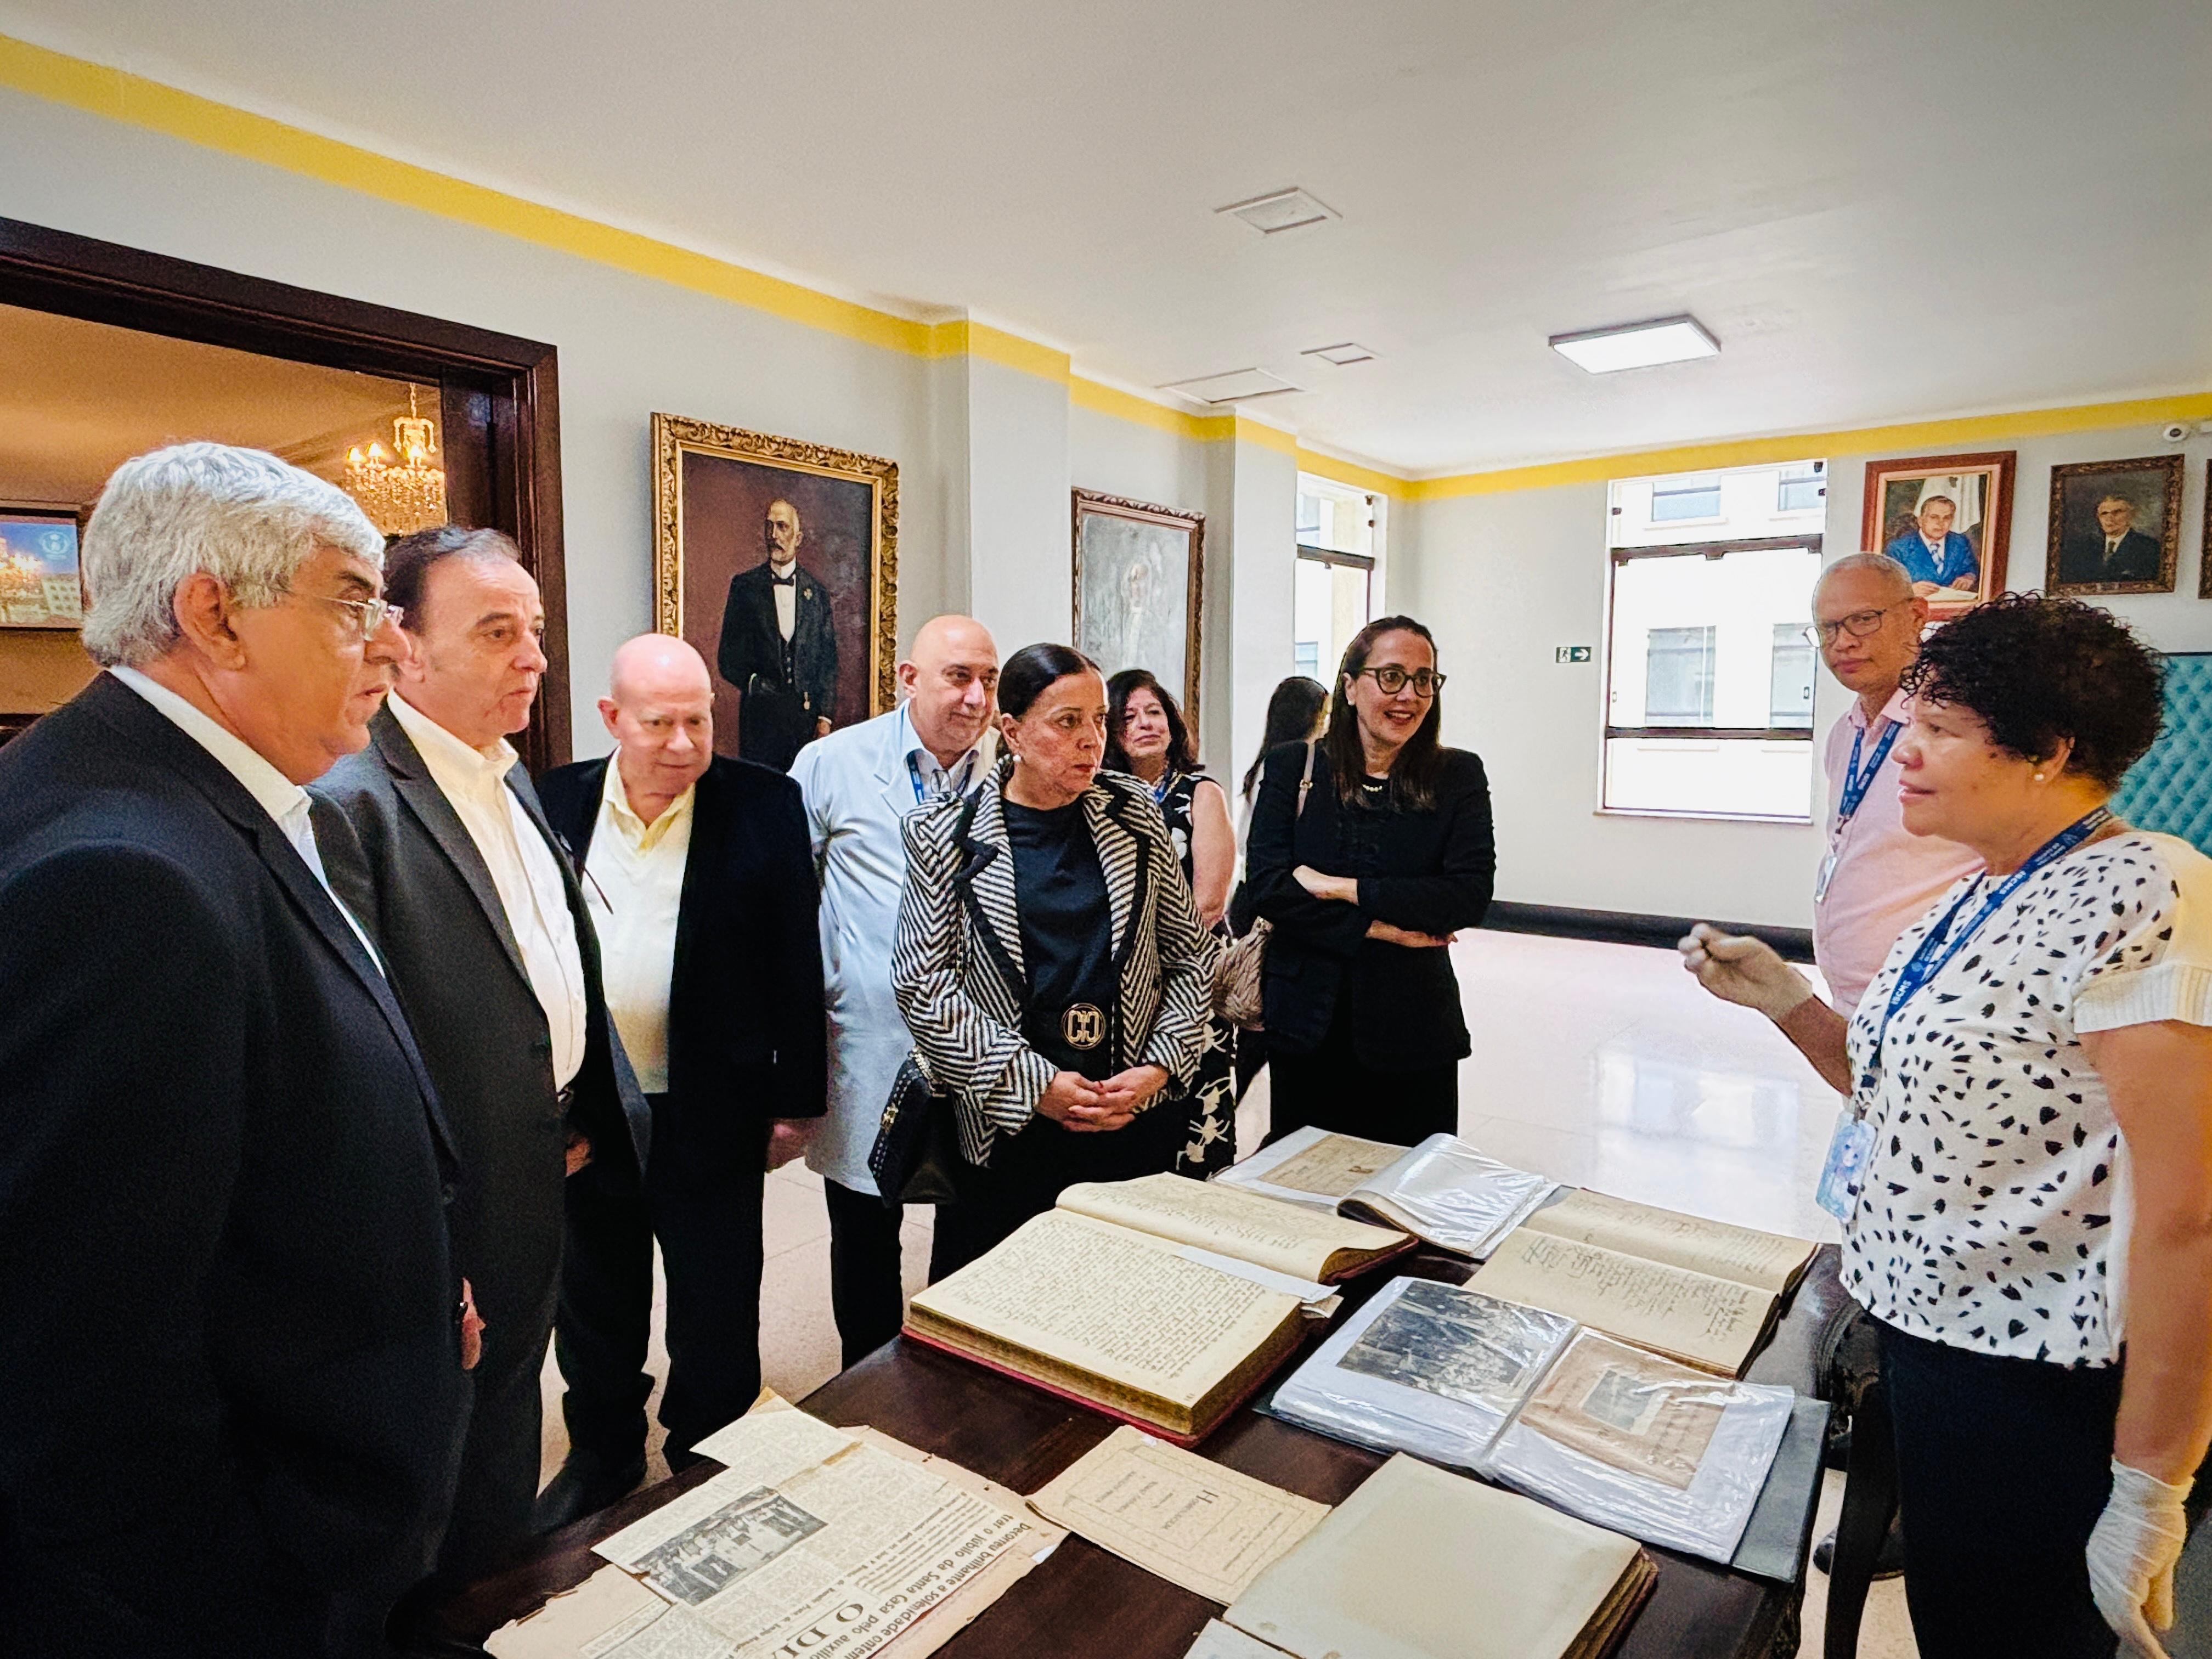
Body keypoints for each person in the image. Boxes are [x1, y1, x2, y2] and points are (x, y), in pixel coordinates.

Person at [0, 444, 472, 1656]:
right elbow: (88, 1374)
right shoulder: (123, 876)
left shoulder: (217, 797)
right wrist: (264, 1603)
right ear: (213, 615)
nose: (392, 645)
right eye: (353, 602)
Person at [1680, 592, 2212, 1659]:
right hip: (1933, 1339)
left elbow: (2188, 1214)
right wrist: (1786, 1000)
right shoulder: (1976, 891)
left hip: (2041, 1379)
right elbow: (1894, 1095)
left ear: (2048, 751)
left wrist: (2151, 1480)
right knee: (1956, 1616)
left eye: (1938, 728)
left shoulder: (2143, 890)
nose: (1905, 749)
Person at [315, 527, 650, 1580]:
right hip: (447, 1203)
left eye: (536, 630)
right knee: (436, 1462)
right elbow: (355, 1058)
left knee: (506, 1420)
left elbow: (540, 960)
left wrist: (577, 1109)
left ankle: (495, 1591)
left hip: (538, 1159)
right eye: (497, 632)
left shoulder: (504, 769)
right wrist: (426, 1231)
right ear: (403, 643)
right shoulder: (351, 800)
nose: (534, 657)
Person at [534, 635, 826, 1516]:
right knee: (595, 1294)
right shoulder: (551, 799)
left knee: (717, 1296)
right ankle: (604, 1451)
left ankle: (709, 1451)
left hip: (713, 1102)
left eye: (698, 721)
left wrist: (797, 1103)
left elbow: (796, 959)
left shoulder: (765, 803)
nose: (683, 743)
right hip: (592, 1106)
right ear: (612, 717)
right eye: (659, 723)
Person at [892, 643, 1216, 1276]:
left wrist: (1158, 1068)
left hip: (1127, 1111)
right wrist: (1034, 1084)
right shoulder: (945, 833)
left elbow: (1187, 959)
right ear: (1012, 731)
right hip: (1008, 1120)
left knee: (1121, 1293)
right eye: (1067, 722)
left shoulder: (1134, 816)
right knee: (998, 1296)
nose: (1091, 740)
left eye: (1099, 720)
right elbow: (923, 985)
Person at [787, 614, 1000, 1364]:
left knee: (972, 1223)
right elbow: (790, 903)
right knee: (865, 1225)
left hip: (982, 1043)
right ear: (909, 679)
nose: (976, 698)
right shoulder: (832, 763)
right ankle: (867, 1377)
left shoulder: (1010, 773)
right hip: (870, 1039)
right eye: (958, 677)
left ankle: (955, 1373)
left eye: (988, 680)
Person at [1244, 616, 1494, 1146]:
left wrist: (1341, 888)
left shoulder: (1457, 776)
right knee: (1303, 1178)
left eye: (1424, 680)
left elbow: (1467, 897)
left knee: (1409, 1180)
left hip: (1413, 1028)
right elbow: (1268, 887)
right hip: (1306, 1023)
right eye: (1391, 676)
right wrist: (1382, 929)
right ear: (1351, 686)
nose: (1409, 696)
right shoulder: (1293, 766)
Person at [1807, 552, 1980, 1018]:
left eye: (1863, 620)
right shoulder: (1845, 733)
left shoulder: (1958, 727)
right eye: (1827, 629)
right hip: (1853, 1001)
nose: (1843, 642)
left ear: (1917, 616)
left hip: (1936, 1003)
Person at [1104, 667, 1238, 1174]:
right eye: (1128, 717)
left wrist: (1149, 960)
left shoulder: (1200, 793)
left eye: (1154, 712)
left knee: (1194, 1101)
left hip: (1190, 974)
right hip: (1121, 982)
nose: (1145, 724)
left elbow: (1209, 904)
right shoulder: (1100, 796)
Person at [1227, 675, 1330, 1099]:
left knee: (1263, 1015)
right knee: (1260, 1014)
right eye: (1324, 713)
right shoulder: (1288, 767)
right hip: (1265, 900)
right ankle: (1232, 1101)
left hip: (1253, 896)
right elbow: (1251, 844)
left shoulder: (1269, 763)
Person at [716, 498, 838, 769]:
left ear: (798, 538)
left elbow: (828, 662)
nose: (774, 535)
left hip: (805, 724)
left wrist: (825, 717)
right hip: (759, 722)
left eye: (782, 527)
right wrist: (755, 684)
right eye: (769, 526)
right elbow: (727, 657)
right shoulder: (745, 587)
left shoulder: (817, 594)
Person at [2058, 493, 2165, 586]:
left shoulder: (2149, 547)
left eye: (2117, 512)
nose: (2109, 518)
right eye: (2104, 514)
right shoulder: (2084, 548)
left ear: (2131, 515)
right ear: (2098, 518)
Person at [1881, 493, 1979, 594]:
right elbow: (1885, 585)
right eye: (1934, 517)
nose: (1940, 523)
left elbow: (1971, 568)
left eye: (1946, 518)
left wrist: (1969, 577)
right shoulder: (1898, 548)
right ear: (1920, 521)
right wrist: (1909, 590)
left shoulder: (1960, 542)